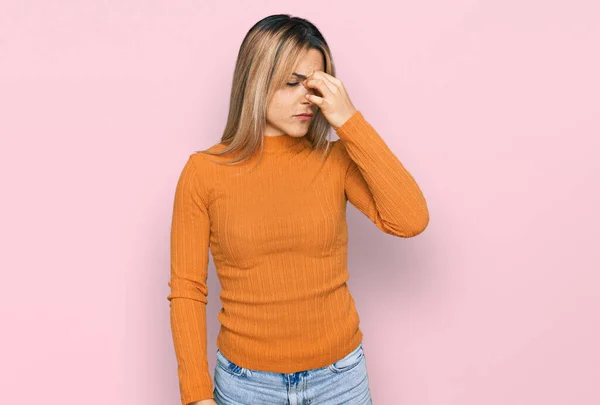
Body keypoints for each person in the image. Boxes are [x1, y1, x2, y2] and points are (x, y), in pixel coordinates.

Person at [167, 13, 429, 405]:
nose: (307, 98)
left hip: (340, 380)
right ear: (256, 80)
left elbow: (411, 219)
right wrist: (196, 395)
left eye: (315, 85)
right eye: (292, 84)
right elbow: (188, 290)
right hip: (246, 386)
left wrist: (349, 121)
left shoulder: (334, 159)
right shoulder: (204, 172)